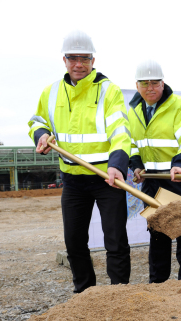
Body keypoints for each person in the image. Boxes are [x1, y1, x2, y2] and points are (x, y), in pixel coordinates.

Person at [28, 30, 132, 293]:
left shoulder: (109, 91)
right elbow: (37, 121)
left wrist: (117, 164)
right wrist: (40, 135)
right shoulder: (51, 92)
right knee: (74, 241)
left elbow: (121, 131)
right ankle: (85, 293)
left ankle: (118, 294)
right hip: (72, 181)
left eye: (84, 58)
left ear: (93, 60)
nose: (78, 64)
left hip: (107, 179)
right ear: (64, 60)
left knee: (116, 240)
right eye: (73, 58)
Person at [128, 60, 181, 283]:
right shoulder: (133, 111)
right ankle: (158, 283)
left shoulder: (180, 105)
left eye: (155, 82)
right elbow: (130, 143)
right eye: (145, 83)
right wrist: (136, 165)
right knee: (157, 235)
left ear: (163, 83)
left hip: (178, 178)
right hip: (152, 181)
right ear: (137, 85)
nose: (150, 88)